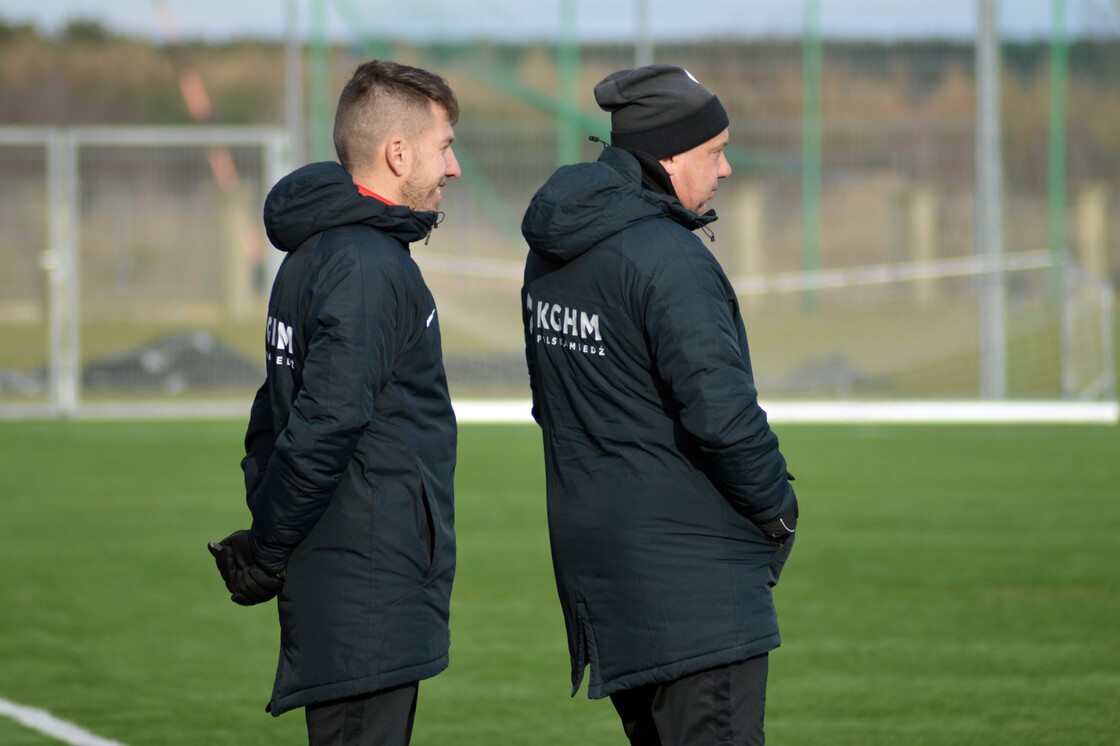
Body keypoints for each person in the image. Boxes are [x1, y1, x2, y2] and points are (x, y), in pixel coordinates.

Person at [519, 64, 799, 745]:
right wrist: (779, 509)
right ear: (668, 157)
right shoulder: (667, 258)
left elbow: (554, 406)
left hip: (608, 578)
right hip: (692, 593)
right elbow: (724, 417)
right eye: (713, 152)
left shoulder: (553, 252)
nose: (726, 169)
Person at [208, 59, 461, 746]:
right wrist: (268, 547)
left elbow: (274, 412)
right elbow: (320, 425)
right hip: (364, 588)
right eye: (444, 146)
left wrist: (270, 521)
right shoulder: (365, 267)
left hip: (348, 574)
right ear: (397, 152)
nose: (455, 167)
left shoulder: (320, 253)